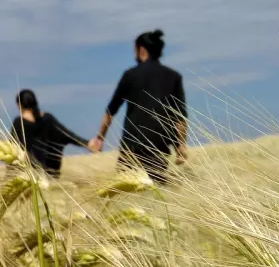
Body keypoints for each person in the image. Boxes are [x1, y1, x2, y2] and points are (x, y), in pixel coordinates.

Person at [88, 29, 188, 184]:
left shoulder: (130, 75)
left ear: (141, 50)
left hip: (132, 144)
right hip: (159, 144)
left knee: (125, 190)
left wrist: (99, 138)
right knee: (157, 189)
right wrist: (181, 147)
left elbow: (111, 110)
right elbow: (180, 116)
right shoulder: (174, 77)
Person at [10, 89, 92, 177]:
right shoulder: (48, 118)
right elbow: (67, 135)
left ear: (19, 105)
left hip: (30, 176)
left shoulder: (19, 123)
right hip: (51, 175)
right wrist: (87, 143)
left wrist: (10, 173)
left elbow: (12, 148)